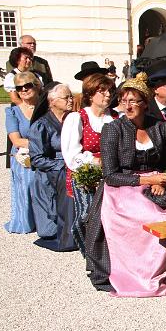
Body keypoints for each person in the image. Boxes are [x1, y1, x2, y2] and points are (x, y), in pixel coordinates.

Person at [84, 73, 166, 295]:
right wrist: (147, 180)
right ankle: (141, 274)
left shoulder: (161, 127)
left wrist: (162, 180)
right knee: (147, 215)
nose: (127, 105)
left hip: (156, 183)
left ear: (145, 103)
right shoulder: (113, 129)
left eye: (133, 101)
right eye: (123, 101)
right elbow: (110, 175)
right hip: (122, 189)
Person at [61, 73, 117, 255]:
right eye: (102, 91)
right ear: (91, 94)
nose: (108, 95)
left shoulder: (116, 118)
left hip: (112, 172)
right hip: (85, 174)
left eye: (110, 91)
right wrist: (95, 162)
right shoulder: (77, 118)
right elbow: (71, 156)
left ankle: (110, 254)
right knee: (86, 215)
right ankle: (91, 255)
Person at [28, 82, 76, 252]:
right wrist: (64, 164)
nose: (71, 100)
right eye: (66, 97)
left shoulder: (74, 120)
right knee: (49, 231)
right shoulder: (41, 125)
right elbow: (37, 159)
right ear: (52, 101)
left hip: (73, 167)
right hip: (51, 173)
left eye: (71, 96)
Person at [4, 72, 39, 234]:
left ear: (36, 85)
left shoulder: (45, 108)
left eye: (28, 85)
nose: (24, 89)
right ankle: (27, 220)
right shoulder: (13, 112)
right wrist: (40, 145)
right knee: (29, 181)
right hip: (23, 156)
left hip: (44, 154)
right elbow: (16, 140)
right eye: (19, 87)